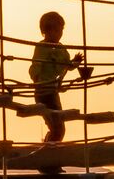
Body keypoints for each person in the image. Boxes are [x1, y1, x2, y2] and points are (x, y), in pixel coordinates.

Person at [26, 12, 86, 144]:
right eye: (57, 30)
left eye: (61, 30)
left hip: (53, 92)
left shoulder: (61, 48)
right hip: (44, 92)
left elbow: (67, 66)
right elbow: (35, 66)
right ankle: (48, 148)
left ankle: (48, 146)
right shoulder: (42, 47)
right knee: (57, 126)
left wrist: (76, 62)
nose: (60, 33)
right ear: (47, 31)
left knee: (58, 126)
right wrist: (37, 80)